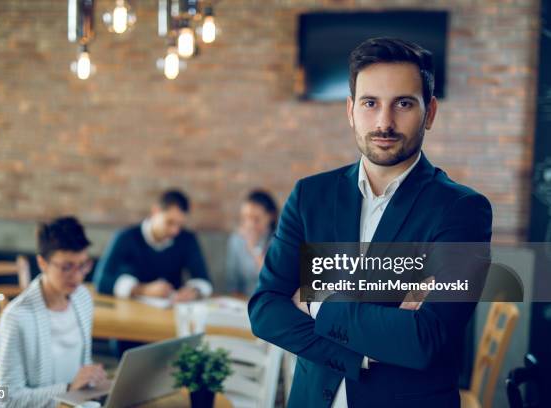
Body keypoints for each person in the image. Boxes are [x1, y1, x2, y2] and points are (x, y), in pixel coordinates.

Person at [248, 37, 492, 408]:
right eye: (370, 103)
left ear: (430, 112)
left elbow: (426, 338)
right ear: (350, 110)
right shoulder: (309, 196)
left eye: (404, 104)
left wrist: (317, 304)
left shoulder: (461, 211)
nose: (384, 122)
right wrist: (362, 351)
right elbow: (266, 310)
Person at [0, 217, 107, 408]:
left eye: (83, 265)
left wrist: (92, 378)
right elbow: (8, 400)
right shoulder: (17, 318)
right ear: (42, 263)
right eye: (66, 267)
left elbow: (83, 362)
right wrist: (68, 387)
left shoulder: (82, 298)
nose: (77, 276)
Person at [94, 189, 212, 302]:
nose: (175, 231)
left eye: (180, 225)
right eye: (169, 222)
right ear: (155, 211)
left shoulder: (187, 239)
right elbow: (101, 280)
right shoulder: (126, 237)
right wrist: (142, 290)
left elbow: (204, 281)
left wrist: (193, 292)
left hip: (170, 312)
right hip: (132, 310)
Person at [226, 189, 278, 296]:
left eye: (256, 219)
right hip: (244, 302)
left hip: (272, 300)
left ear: (271, 216)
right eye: (245, 218)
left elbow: (272, 280)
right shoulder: (236, 240)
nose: (250, 224)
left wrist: (254, 248)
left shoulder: (279, 241)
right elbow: (232, 282)